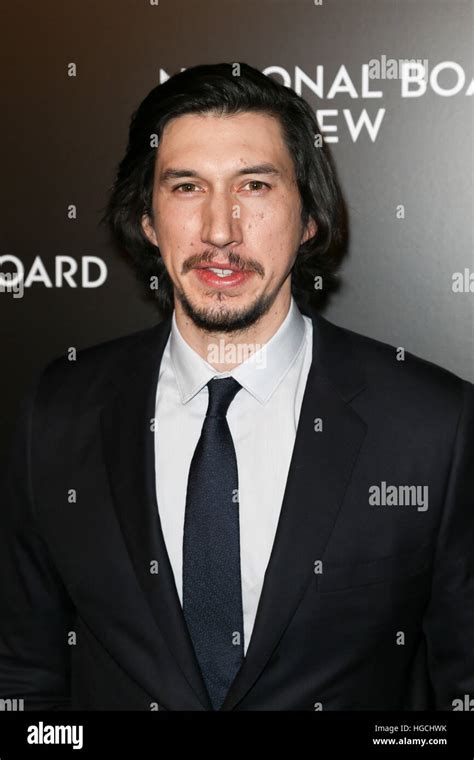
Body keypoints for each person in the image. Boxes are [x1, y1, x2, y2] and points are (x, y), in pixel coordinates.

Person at [0, 62, 473, 711]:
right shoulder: (59, 410)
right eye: (187, 187)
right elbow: (23, 671)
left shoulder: (434, 425)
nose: (220, 230)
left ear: (309, 215)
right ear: (147, 219)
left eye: (254, 185)